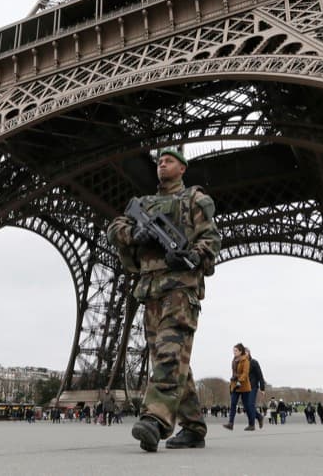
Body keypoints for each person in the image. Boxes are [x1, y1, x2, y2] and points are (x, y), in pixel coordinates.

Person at [107, 147, 221, 452]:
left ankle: (155, 420)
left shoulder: (195, 200)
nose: (162, 165)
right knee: (169, 359)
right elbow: (115, 228)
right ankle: (194, 427)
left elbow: (211, 239)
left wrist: (192, 254)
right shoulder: (144, 204)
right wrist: (137, 235)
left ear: (183, 168)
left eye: (169, 161)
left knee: (170, 354)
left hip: (180, 290)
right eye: (159, 161)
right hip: (151, 291)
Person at [223, 343, 257, 431]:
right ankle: (230, 423)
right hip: (235, 385)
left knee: (247, 406)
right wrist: (234, 378)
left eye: (236, 351)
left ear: (240, 351)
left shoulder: (246, 361)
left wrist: (239, 380)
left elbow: (245, 374)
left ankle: (252, 424)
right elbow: (234, 372)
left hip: (244, 386)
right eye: (233, 350)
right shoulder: (234, 360)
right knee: (233, 404)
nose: (234, 352)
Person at [247, 349, 266, 429]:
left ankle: (252, 425)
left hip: (253, 386)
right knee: (247, 406)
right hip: (245, 388)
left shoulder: (254, 362)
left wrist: (262, 388)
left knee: (250, 404)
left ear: (249, 353)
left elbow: (260, 375)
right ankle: (258, 417)